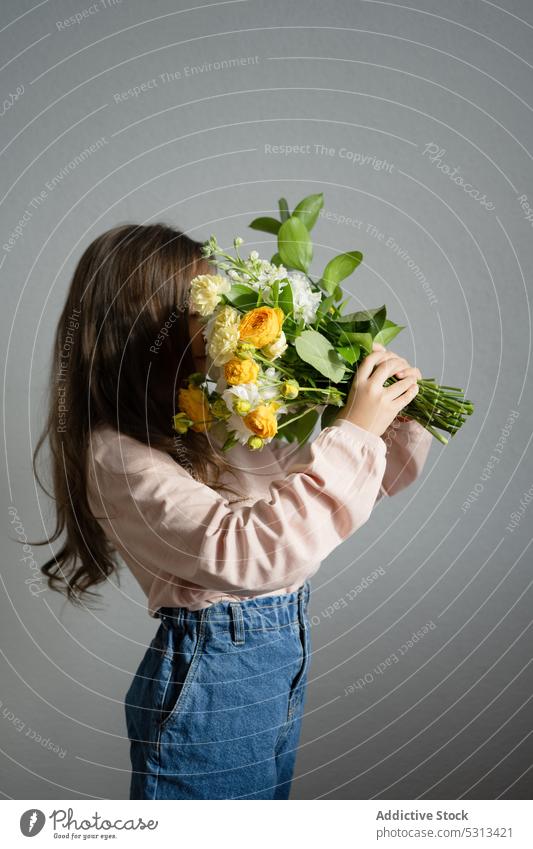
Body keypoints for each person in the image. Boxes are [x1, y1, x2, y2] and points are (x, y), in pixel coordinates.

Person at [33, 222, 432, 800]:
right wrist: (354, 435)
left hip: (273, 658)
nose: (226, 318)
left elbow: (337, 488)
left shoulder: (214, 413)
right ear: (150, 329)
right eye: (205, 306)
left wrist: (377, 415)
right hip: (214, 673)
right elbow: (248, 552)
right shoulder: (117, 457)